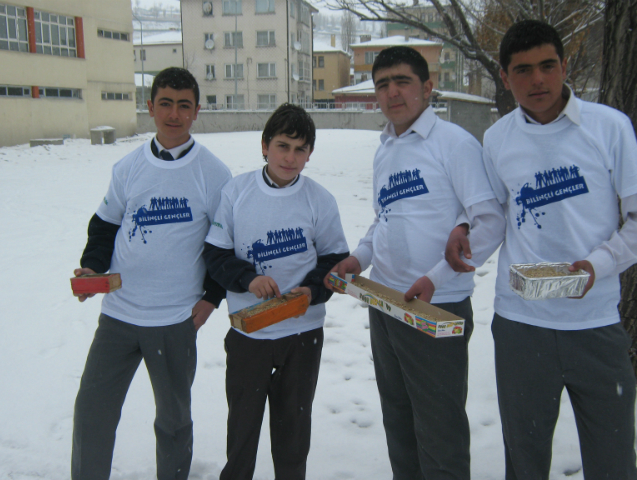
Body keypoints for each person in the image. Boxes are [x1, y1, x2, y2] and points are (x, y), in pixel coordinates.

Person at [445, 20, 637, 479]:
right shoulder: (498, 138)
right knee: (525, 462)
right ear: (506, 76)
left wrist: (597, 264)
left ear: (565, 65)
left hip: (595, 323)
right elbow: (493, 218)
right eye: (523, 70)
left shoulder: (609, 128)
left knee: (613, 462)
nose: (538, 80)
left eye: (548, 66)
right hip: (521, 325)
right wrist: (462, 230)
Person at [327, 46, 505, 480]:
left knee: (439, 430)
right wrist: (358, 257)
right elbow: (383, 220)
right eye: (383, 84)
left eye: (402, 81)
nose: (392, 92)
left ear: (427, 87)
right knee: (399, 421)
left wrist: (436, 277)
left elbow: (489, 222)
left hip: (435, 307)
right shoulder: (386, 148)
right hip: (386, 303)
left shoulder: (455, 144)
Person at [71, 67, 232, 480]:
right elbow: (105, 225)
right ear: (150, 107)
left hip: (174, 320)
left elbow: (224, 244)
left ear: (196, 111)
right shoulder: (128, 168)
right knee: (93, 412)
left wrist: (211, 297)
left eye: (183, 105)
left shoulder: (214, 173)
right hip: (119, 316)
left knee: (174, 420)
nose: (173, 114)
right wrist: (93, 266)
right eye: (165, 103)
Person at [202, 103, 349, 480]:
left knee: (293, 431)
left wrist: (311, 292)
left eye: (300, 149)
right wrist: (248, 279)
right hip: (249, 331)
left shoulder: (320, 200)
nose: (290, 157)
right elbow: (215, 254)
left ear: (310, 154)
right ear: (265, 145)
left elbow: (334, 259)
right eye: (283, 145)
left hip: (302, 334)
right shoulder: (237, 192)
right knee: (243, 428)